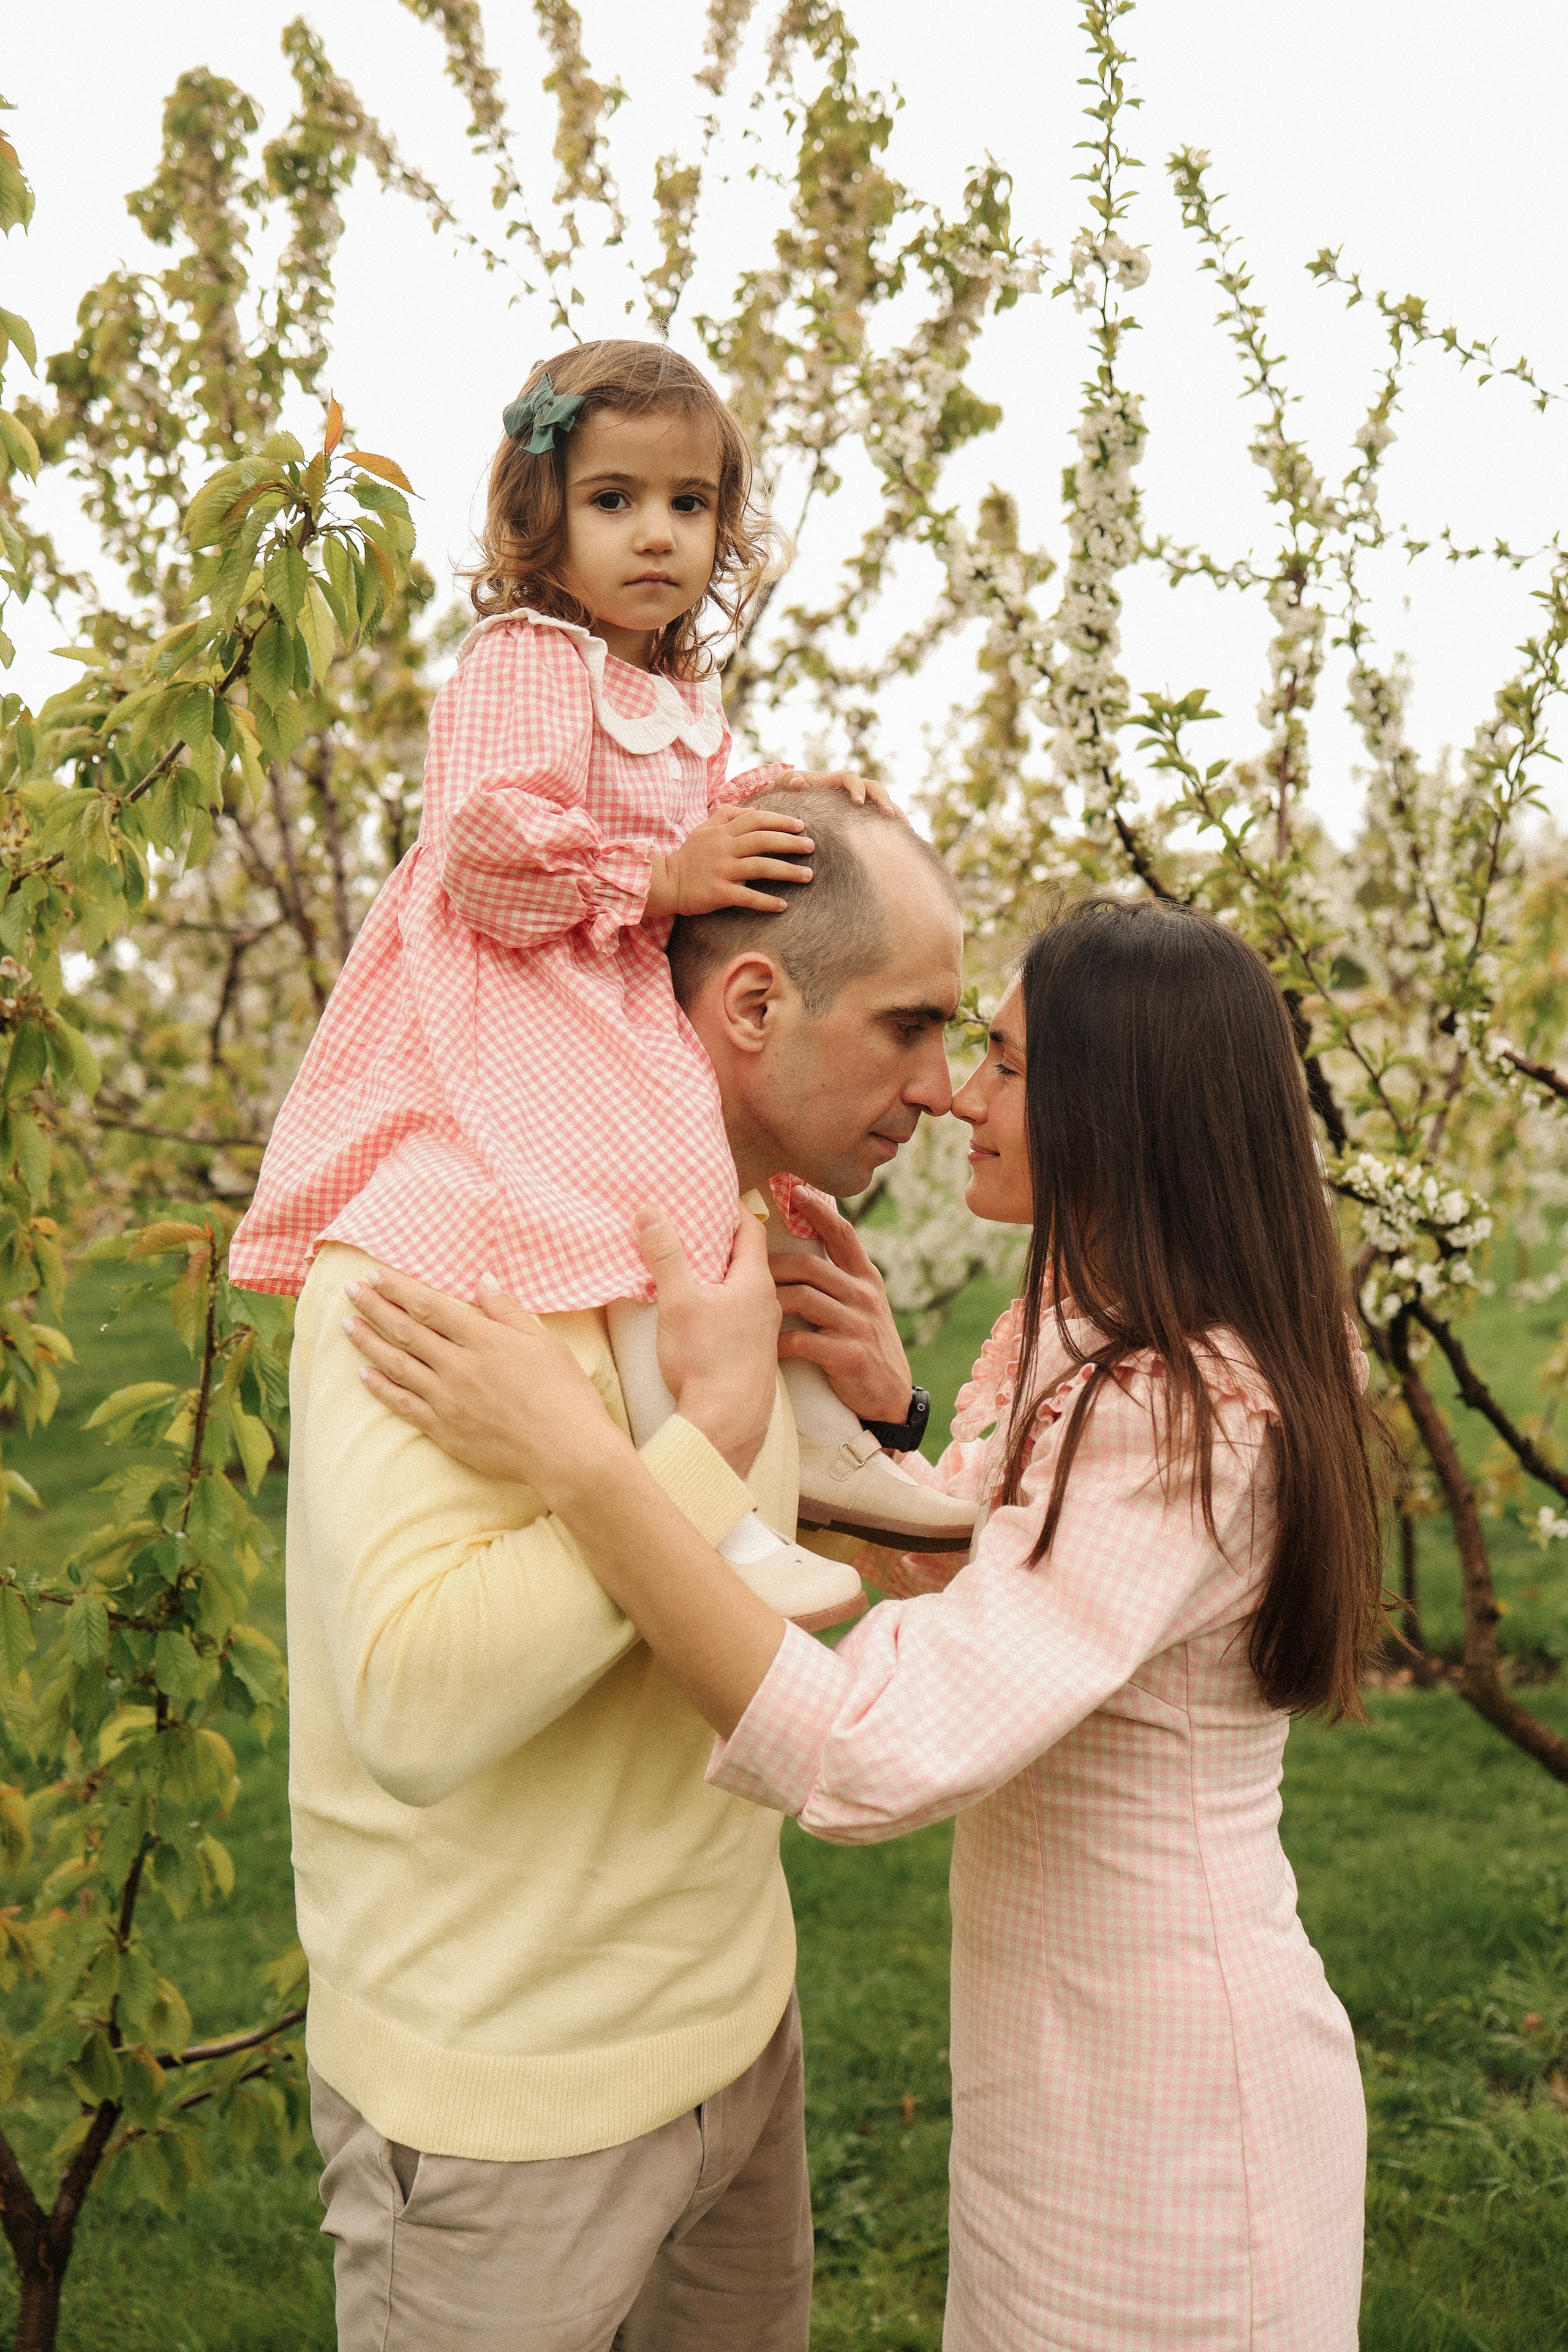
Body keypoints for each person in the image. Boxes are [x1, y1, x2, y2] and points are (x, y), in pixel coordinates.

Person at [344, 895, 1385, 2352]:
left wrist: (588, 1468)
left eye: (1008, 1065)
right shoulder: (1111, 1338)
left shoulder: (1171, 1408)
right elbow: (1034, 1590)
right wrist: (895, 1427)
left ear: (1122, 1109)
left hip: (1166, 2107)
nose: (959, 1093)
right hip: (1067, 2057)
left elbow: (870, 1751)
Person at [287, 785, 967, 2350]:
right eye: (909, 1026)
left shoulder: (730, 1230)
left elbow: (752, 1585)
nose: (940, 1088)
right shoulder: (427, 1247)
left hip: (740, 2037)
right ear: (749, 1003)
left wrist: (882, 1420)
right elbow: (411, 1706)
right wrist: (706, 1430)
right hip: (510, 2111)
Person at [229, 337, 973, 1611]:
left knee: (749, 1198)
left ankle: (832, 1439)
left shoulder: (671, 687)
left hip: (614, 987)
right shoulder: (525, 659)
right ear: (543, 515)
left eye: (688, 507)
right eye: (612, 500)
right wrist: (660, 878)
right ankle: (704, 1498)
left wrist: (797, 801)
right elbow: (485, 840)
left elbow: (698, 805)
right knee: (633, 1209)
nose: (654, 536)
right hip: (528, 983)